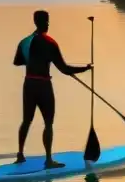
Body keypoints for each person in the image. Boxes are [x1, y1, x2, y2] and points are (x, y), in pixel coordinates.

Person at [13, 9, 91, 168]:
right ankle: (48, 160)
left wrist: (33, 60)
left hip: (28, 84)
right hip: (43, 85)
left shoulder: (25, 42)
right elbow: (64, 69)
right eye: (46, 21)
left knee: (26, 120)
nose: (48, 24)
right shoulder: (50, 43)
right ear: (41, 22)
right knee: (48, 123)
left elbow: (17, 61)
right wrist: (86, 68)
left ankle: (20, 155)